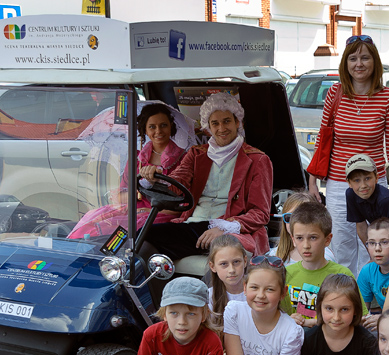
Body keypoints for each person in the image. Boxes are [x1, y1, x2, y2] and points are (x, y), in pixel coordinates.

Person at [307, 36, 389, 274]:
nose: (359, 63)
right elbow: (323, 139)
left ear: (375, 62)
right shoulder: (335, 93)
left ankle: (367, 298)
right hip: (339, 183)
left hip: (373, 183)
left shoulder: (388, 97)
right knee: (342, 245)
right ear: (345, 63)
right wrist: (313, 181)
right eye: (353, 58)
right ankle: (344, 296)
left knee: (373, 245)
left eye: (365, 57)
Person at [145, 92, 273, 258]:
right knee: (143, 239)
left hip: (227, 229)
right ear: (208, 127)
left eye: (226, 121)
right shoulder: (196, 154)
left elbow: (260, 213)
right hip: (192, 224)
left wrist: (225, 226)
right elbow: (177, 184)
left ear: (237, 122)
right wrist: (154, 177)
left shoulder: (258, 160)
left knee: (147, 235)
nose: (221, 128)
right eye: (215, 123)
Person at [69, 103, 190, 239]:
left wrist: (150, 209)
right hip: (135, 209)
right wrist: (138, 190)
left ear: (171, 126)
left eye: (163, 125)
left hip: (163, 212)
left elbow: (184, 203)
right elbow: (122, 194)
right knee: (95, 220)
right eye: (152, 127)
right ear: (144, 130)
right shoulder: (137, 158)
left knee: (130, 229)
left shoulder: (184, 158)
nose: (158, 131)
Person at [281, 201, 367, 326]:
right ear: (293, 240)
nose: (306, 245)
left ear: (327, 239)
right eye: (300, 238)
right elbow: (276, 317)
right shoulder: (287, 274)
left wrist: (311, 322)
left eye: (313, 237)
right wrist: (287, 320)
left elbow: (359, 317)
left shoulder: (342, 274)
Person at [357, 217, 389, 331]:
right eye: (372, 243)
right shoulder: (367, 271)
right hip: (386, 321)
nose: (377, 249)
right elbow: (361, 310)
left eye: (384, 242)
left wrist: (383, 318)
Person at [344, 154, 389, 249]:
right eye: (356, 180)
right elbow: (361, 226)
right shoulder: (351, 194)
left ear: (376, 178)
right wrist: (371, 251)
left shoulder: (385, 200)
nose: (363, 185)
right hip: (383, 237)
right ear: (349, 183)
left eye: (367, 178)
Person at [270, 192, 338, 266]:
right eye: (289, 217)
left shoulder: (327, 257)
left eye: (303, 218)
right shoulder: (274, 255)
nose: (295, 223)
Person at [207, 234, 248, 331]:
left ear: (245, 261)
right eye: (224, 264)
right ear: (212, 266)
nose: (231, 270)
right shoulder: (209, 297)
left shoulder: (257, 292)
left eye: (236, 262)